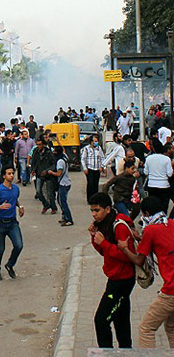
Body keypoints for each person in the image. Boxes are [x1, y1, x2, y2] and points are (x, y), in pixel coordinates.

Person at [117, 196, 174, 348]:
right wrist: (141, 237)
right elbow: (161, 241)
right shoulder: (172, 223)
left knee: (146, 329)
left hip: (171, 291)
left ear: (147, 214)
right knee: (171, 327)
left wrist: (124, 248)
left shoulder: (150, 230)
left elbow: (139, 260)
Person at [88, 192, 136, 349]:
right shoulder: (105, 225)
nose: (94, 214)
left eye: (97, 210)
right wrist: (95, 238)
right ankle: (126, 350)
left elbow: (129, 256)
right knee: (121, 320)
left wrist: (104, 243)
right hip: (115, 278)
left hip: (122, 282)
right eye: (92, 211)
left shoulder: (119, 226)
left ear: (107, 209)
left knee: (101, 320)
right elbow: (104, 252)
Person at [0, 166, 25, 280]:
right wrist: (0, 207)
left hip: (12, 223)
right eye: (9, 173)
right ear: (4, 176)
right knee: (0, 249)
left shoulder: (15, 189)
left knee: (19, 245)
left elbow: (14, 199)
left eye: (13, 173)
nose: (12, 176)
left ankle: (10, 264)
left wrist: (20, 206)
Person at [144, 141, 173, 213]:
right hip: (164, 186)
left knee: (153, 206)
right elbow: (169, 174)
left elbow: (146, 172)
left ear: (153, 149)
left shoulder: (149, 158)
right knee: (164, 207)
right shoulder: (167, 159)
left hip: (151, 185)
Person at [30, 139, 57, 214]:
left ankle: (53, 207)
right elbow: (34, 162)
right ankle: (46, 204)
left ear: (43, 145)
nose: (39, 146)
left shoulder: (49, 153)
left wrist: (47, 170)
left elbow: (53, 164)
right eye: (37, 144)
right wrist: (33, 170)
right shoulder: (36, 152)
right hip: (39, 174)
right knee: (38, 192)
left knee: (49, 193)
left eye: (40, 144)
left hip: (48, 175)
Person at [49, 146, 74, 226]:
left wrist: (51, 172)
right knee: (60, 200)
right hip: (66, 182)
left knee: (62, 202)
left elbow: (59, 173)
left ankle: (69, 219)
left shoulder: (60, 161)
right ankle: (64, 217)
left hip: (63, 183)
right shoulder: (64, 157)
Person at [81, 134, 105, 203]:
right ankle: (90, 199)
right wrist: (85, 168)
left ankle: (95, 199)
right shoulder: (86, 149)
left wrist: (102, 166)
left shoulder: (99, 148)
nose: (96, 143)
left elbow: (102, 158)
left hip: (97, 169)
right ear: (91, 142)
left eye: (97, 141)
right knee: (90, 184)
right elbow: (83, 159)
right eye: (94, 141)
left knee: (95, 184)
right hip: (90, 169)